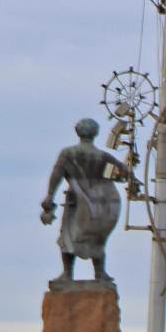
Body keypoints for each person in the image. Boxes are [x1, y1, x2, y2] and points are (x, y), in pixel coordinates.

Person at [41, 118, 128, 284]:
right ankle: (100, 272)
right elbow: (124, 171)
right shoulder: (103, 156)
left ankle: (67, 273)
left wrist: (50, 195)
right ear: (95, 133)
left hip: (78, 201)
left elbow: (57, 174)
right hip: (102, 202)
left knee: (68, 235)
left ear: (77, 132)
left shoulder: (68, 153)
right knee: (97, 236)